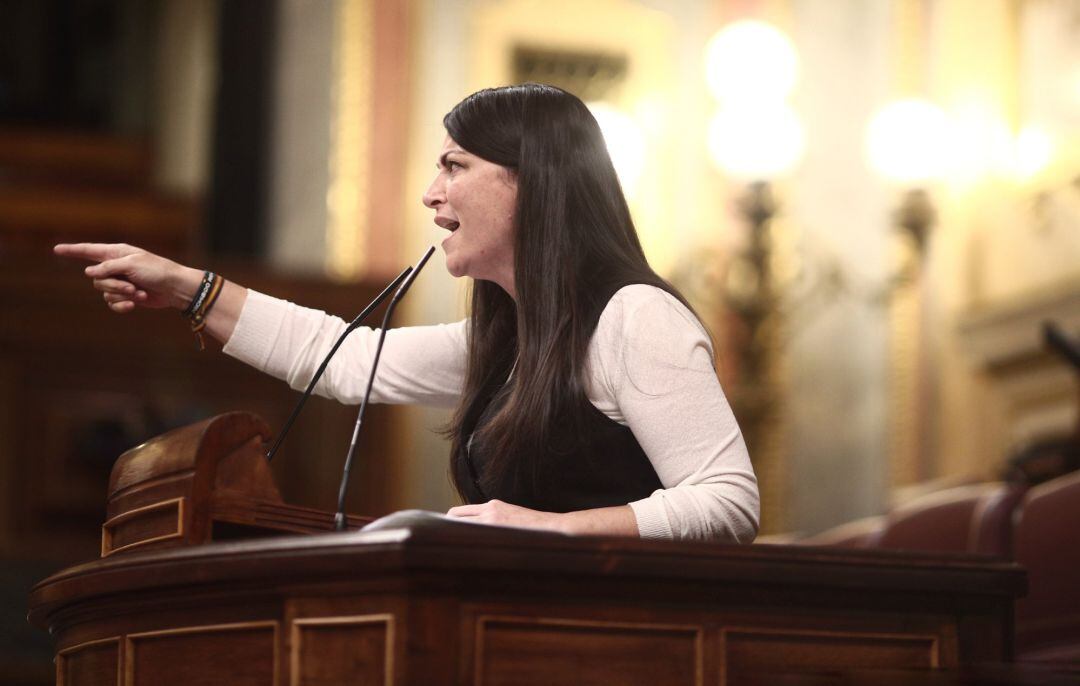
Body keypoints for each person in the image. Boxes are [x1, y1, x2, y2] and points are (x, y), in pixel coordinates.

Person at [55, 83, 759, 542]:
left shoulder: (634, 318)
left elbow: (728, 503)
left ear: (531, 184)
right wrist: (188, 288)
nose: (430, 193)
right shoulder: (508, 339)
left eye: (454, 166)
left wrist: (556, 529)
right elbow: (337, 360)